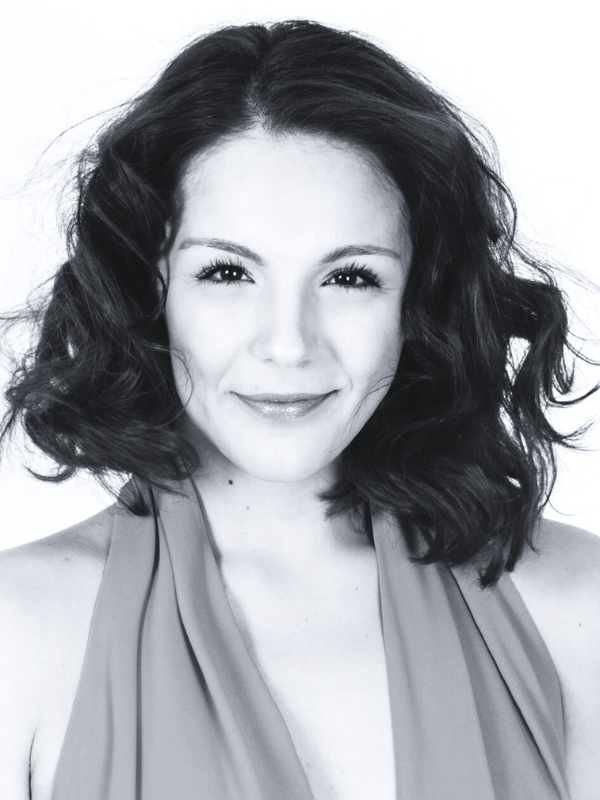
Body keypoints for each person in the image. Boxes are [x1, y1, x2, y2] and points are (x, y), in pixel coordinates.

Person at [0, 19, 599, 800]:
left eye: (350, 278)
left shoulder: (577, 610)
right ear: (153, 288)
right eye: (227, 273)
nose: (289, 345)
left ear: (417, 300)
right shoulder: (21, 635)